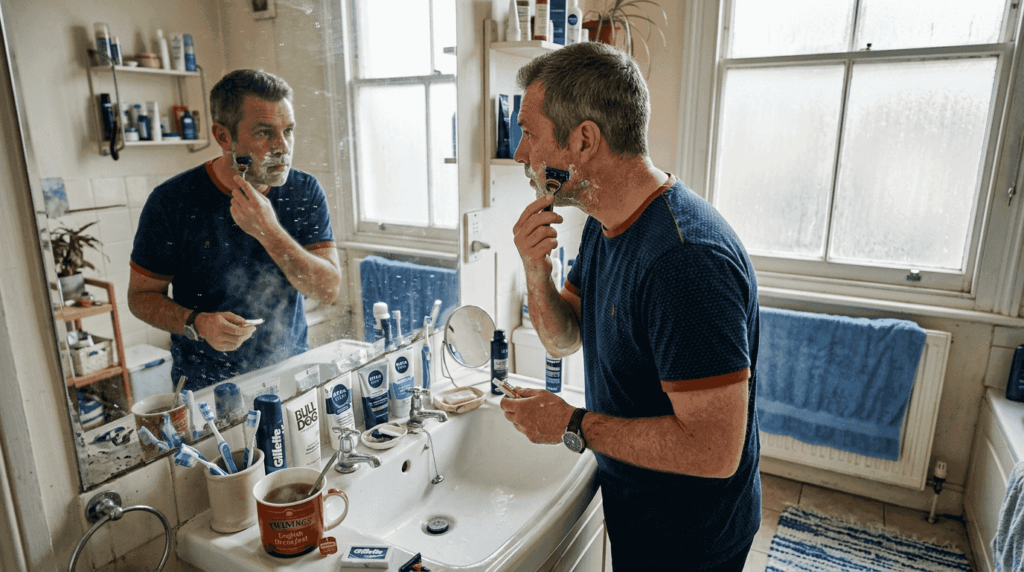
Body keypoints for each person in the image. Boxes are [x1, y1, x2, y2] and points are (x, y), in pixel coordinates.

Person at [503, 42, 761, 571]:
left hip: (690, 538)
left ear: (584, 139)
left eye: (530, 132)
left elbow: (714, 452)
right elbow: (563, 338)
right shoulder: (607, 223)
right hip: (639, 507)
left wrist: (572, 423)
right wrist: (536, 271)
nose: (520, 154)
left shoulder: (684, 261)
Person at [128, 69, 341, 392]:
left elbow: (327, 291)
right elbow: (140, 298)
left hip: (290, 370)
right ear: (224, 137)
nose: (282, 147)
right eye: (264, 133)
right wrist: (195, 323)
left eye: (288, 130)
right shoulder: (172, 201)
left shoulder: (304, 190)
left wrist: (268, 230)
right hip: (205, 384)